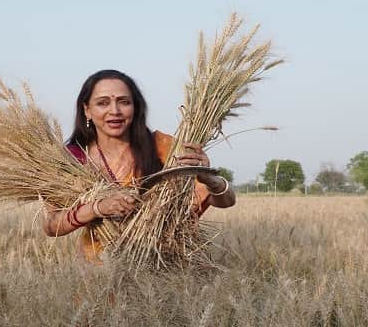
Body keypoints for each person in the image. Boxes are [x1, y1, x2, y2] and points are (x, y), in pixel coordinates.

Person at [42, 69, 235, 259]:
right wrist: (97, 208)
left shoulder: (164, 148)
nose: (115, 111)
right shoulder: (72, 159)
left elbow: (227, 201)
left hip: (167, 265)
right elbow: (52, 226)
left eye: (124, 102)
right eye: (103, 103)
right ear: (87, 110)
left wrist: (210, 178)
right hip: (99, 271)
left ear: (135, 107)